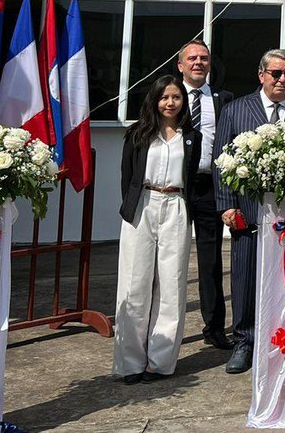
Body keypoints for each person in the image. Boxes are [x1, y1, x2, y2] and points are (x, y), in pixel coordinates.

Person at [213, 49, 285, 374]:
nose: (283, 80)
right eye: (276, 73)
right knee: (245, 277)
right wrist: (226, 205)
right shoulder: (236, 110)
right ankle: (245, 342)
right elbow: (221, 162)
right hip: (249, 214)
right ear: (261, 75)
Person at [114, 76, 199, 384]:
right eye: (164, 97)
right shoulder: (137, 134)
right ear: (154, 100)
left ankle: (160, 362)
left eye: (176, 97)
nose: (170, 102)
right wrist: (133, 206)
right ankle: (130, 362)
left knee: (171, 284)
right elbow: (127, 177)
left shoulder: (191, 136)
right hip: (143, 206)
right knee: (135, 283)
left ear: (183, 102)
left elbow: (192, 175)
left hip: (175, 205)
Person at [177, 40, 233, 351]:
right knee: (170, 260)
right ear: (180, 65)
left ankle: (214, 327)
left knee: (210, 263)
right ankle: (165, 331)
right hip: (176, 188)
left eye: (204, 58)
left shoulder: (223, 99)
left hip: (210, 187)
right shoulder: (169, 98)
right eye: (192, 58)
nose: (198, 62)